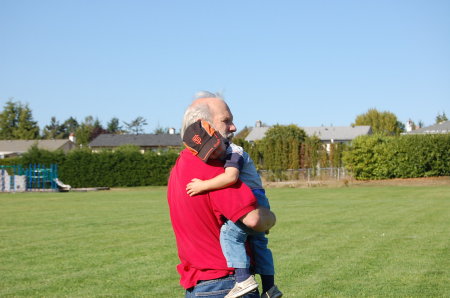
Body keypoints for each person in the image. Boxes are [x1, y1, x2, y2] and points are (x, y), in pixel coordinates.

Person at [168, 91, 276, 297]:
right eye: (226, 121)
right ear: (203, 127)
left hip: (197, 286)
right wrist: (270, 218)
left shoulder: (178, 167)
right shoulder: (215, 170)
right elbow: (254, 220)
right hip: (225, 285)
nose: (234, 127)